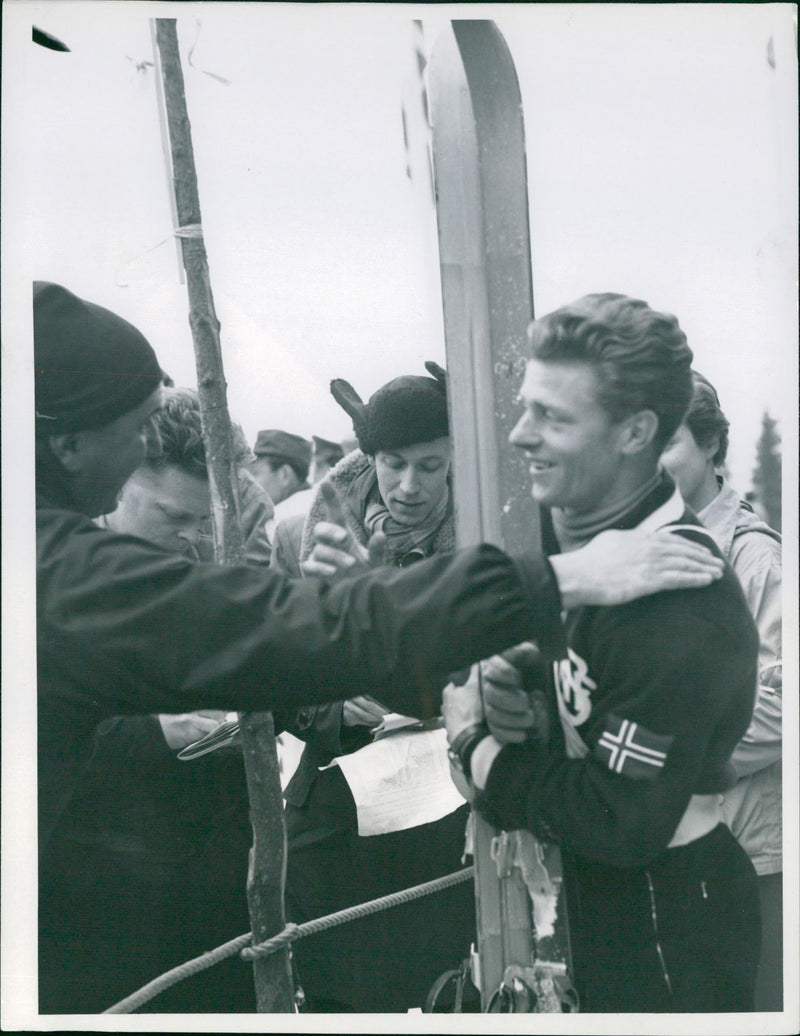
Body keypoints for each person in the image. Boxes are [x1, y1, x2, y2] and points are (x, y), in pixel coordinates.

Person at [34, 281, 726, 1010]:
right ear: (67, 440)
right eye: (138, 427)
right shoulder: (59, 566)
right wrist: (548, 582)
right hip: (85, 912)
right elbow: (283, 629)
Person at [442, 293, 762, 1013]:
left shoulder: (685, 600)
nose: (521, 435)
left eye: (553, 417)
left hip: (670, 915)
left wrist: (474, 745)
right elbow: (587, 668)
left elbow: (622, 822)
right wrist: (519, 671)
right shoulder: (580, 537)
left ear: (635, 432)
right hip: (610, 899)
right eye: (526, 408)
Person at [39, 388, 265, 1013]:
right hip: (91, 900)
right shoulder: (46, 576)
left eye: (202, 520)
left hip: (206, 892)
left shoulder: (203, 569)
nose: (190, 537)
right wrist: (152, 733)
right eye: (173, 516)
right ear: (121, 475)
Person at [271, 364, 474, 1013]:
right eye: (393, 465)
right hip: (330, 792)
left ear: (456, 462)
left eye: (431, 467)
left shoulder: (482, 542)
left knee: (434, 981)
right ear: (369, 457)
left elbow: (483, 668)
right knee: (336, 986)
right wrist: (327, 698)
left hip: (439, 803)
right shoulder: (299, 533)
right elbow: (275, 665)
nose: (409, 486)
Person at [661, 371, 782, 1011]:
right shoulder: (645, 547)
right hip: (672, 848)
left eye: (667, 442)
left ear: (711, 446)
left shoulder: (752, 556)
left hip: (748, 852)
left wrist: (679, 759)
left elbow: (785, 701)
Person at [248, 428, 314, 521]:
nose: (248, 482)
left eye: (255, 473)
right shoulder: (312, 507)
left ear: (284, 474)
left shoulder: (284, 519)